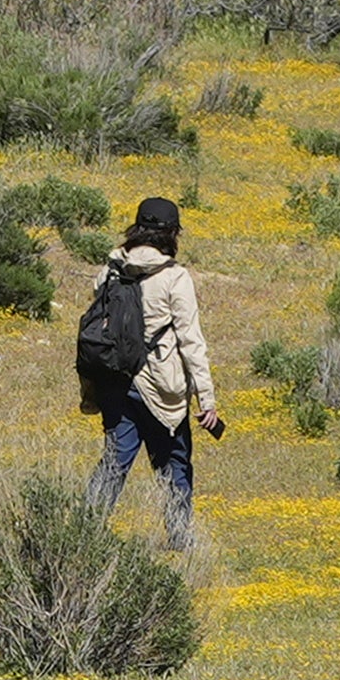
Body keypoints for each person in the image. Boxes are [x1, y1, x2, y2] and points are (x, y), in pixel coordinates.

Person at [74, 198, 219, 553]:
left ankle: (81, 534)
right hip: (159, 386)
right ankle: (181, 539)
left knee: (115, 460)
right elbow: (191, 341)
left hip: (113, 379)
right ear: (172, 233)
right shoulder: (174, 277)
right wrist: (207, 399)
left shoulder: (111, 267)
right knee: (174, 462)